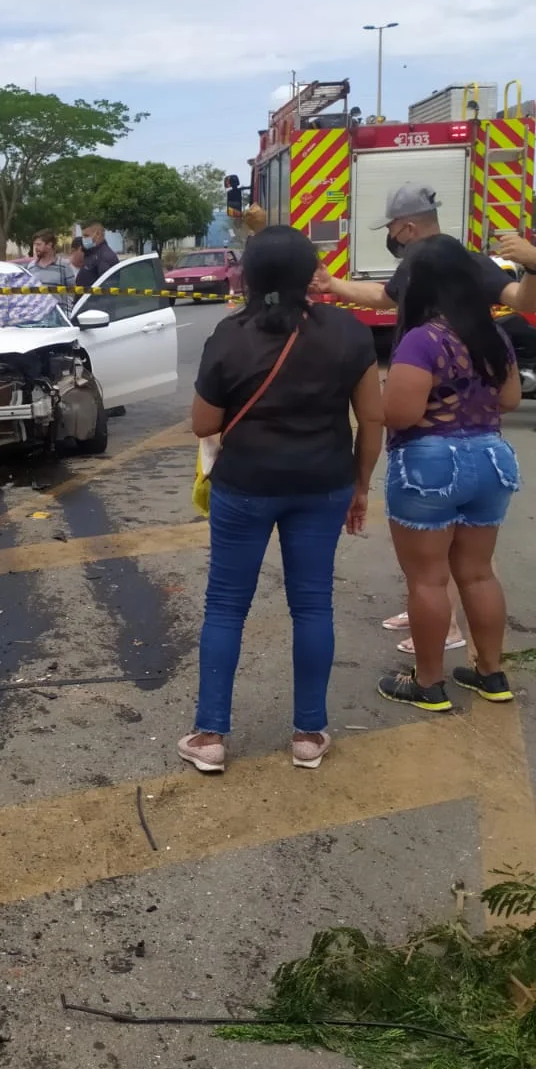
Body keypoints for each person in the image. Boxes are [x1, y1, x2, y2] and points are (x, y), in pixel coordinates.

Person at [180, 226, 383, 774]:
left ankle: (210, 736)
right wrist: (360, 484)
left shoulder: (229, 334)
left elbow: (203, 423)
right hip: (323, 484)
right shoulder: (348, 331)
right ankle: (309, 734)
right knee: (312, 605)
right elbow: (372, 418)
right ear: (310, 274)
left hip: (245, 487)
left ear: (247, 276)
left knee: (225, 606)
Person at [377, 235, 521, 712]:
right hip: (491, 460)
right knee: (478, 575)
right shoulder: (492, 335)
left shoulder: (422, 339)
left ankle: (430, 682)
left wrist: (382, 395)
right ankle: (491, 674)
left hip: (430, 465)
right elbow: (509, 401)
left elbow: (400, 414)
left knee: (428, 580)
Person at [311, 182, 536, 321]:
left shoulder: (467, 264)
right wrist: (332, 283)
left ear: (409, 229)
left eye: (391, 228)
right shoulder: (415, 266)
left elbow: (523, 302)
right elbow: (385, 296)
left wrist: (533, 266)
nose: (391, 236)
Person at [77, 222, 119, 288]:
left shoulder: (105, 257)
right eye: (83, 236)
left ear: (98, 234)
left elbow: (106, 289)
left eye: (86, 236)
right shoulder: (91, 253)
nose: (83, 239)